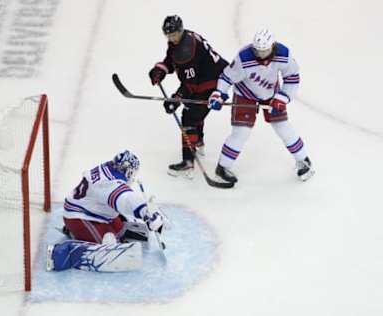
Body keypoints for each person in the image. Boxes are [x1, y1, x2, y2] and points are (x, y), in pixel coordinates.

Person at [208, 29, 315, 183]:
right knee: (241, 132)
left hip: (271, 94)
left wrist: (283, 97)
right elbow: (227, 77)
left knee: (283, 127)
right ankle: (223, 167)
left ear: (272, 46)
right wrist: (218, 93)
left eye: (264, 51)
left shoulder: (283, 54)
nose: (261, 55)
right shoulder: (244, 57)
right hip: (245, 94)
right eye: (258, 51)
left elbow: (292, 77)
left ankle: (303, 160)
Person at [46, 150, 168, 272]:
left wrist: (144, 210)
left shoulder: (109, 168)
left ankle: (80, 233)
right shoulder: (109, 183)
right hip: (79, 217)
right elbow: (124, 198)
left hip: (96, 212)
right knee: (104, 245)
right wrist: (144, 212)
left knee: (119, 232)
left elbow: (120, 194)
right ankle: (60, 254)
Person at [149, 15, 229, 179]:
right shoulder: (183, 39)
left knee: (189, 118)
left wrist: (177, 98)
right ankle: (198, 142)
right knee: (195, 111)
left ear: (180, 30)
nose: (171, 38)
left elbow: (191, 85)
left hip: (212, 84)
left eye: (173, 34)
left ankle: (187, 162)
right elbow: (172, 60)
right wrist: (161, 69)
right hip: (214, 76)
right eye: (168, 35)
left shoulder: (186, 50)